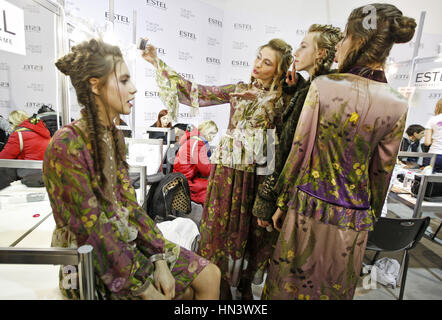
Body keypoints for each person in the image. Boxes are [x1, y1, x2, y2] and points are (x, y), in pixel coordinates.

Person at [44, 39, 220, 300]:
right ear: (96, 85)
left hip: (122, 240)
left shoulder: (112, 135)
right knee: (181, 294)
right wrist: (144, 288)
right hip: (89, 262)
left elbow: (128, 204)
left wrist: (159, 257)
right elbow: (91, 232)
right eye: (124, 80)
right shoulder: (66, 143)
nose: (134, 89)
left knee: (211, 275)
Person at [262, 3, 416, 300]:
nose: (341, 45)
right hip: (354, 220)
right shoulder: (398, 103)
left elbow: (299, 152)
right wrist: (369, 216)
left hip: (308, 207)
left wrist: (281, 201)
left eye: (345, 36)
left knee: (288, 287)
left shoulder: (324, 86)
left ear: (358, 40)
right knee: (333, 291)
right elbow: (381, 172)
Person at [142, 38, 294, 299]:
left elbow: (277, 146)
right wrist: (158, 62)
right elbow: (197, 92)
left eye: (267, 62)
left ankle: (244, 289)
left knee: (253, 238)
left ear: (279, 71)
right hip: (226, 175)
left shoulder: (283, 100)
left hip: (257, 176)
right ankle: (218, 289)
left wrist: (268, 195)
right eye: (258, 56)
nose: (257, 64)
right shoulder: (238, 89)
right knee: (219, 234)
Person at [244, 24, 342, 300]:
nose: (297, 51)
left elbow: (291, 149)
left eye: (303, 46)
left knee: (288, 274)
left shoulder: (319, 91)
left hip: (298, 196)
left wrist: (273, 200)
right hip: (297, 193)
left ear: (321, 52)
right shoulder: (312, 87)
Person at [173, 120, 218, 205]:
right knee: (213, 187)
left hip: (181, 177)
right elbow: (206, 170)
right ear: (208, 132)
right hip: (186, 182)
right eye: (213, 135)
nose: (212, 138)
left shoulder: (193, 138)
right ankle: (208, 216)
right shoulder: (198, 144)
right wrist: (216, 164)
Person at [424, 98, 442, 172]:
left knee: (429, 181)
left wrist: (434, 139)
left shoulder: (433, 119)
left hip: (435, 154)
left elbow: (427, 142)